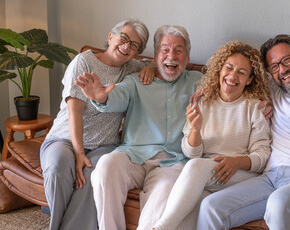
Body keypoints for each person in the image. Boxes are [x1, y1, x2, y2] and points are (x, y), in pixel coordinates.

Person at [197, 34, 290, 230]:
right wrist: (204, 89)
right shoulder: (272, 93)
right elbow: (232, 81)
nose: (283, 69)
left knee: (279, 204)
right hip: (273, 177)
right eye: (275, 66)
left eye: (287, 59)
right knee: (211, 207)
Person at [75, 25, 203, 230]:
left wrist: (262, 103)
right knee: (104, 168)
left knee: (163, 195)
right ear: (156, 55)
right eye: (165, 50)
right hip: (133, 155)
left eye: (179, 50)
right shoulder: (136, 80)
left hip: (173, 162)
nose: (172, 56)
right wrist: (102, 96)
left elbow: (227, 89)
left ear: (187, 56)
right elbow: (118, 96)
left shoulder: (198, 82)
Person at [40, 18, 152, 230]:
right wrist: (78, 152)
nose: (126, 46)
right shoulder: (84, 61)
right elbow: (75, 111)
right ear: (111, 37)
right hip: (64, 138)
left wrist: (152, 67)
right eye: (124, 38)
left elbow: (153, 63)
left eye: (134, 45)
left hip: (104, 144)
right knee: (57, 167)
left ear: (137, 52)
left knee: (95, 175)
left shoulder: (132, 68)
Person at [153, 41, 272, 230]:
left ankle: (161, 227)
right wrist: (196, 129)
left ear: (249, 79)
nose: (232, 76)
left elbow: (263, 156)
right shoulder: (203, 102)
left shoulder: (255, 108)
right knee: (194, 204)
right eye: (229, 68)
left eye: (241, 72)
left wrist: (236, 162)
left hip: (241, 174)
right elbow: (191, 153)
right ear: (219, 70)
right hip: (206, 174)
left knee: (196, 167)